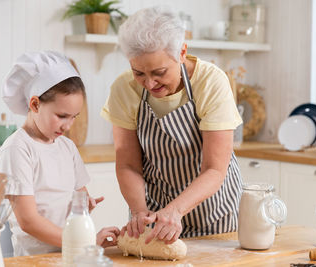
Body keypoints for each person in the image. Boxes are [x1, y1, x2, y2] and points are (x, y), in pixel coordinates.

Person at [101, 6, 243, 244]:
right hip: (155, 215)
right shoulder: (123, 89)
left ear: (181, 52)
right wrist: (139, 211)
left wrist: (176, 210)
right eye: (138, 73)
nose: (149, 83)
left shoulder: (210, 82)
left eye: (159, 72)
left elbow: (215, 169)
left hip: (216, 217)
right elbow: (127, 164)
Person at [0, 51, 120, 256]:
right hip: (35, 259)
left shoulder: (67, 147)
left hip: (70, 254)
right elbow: (28, 221)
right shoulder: (18, 149)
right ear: (35, 104)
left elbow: (80, 197)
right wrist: (85, 242)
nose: (68, 125)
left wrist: (84, 206)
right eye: (62, 116)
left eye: (74, 117)